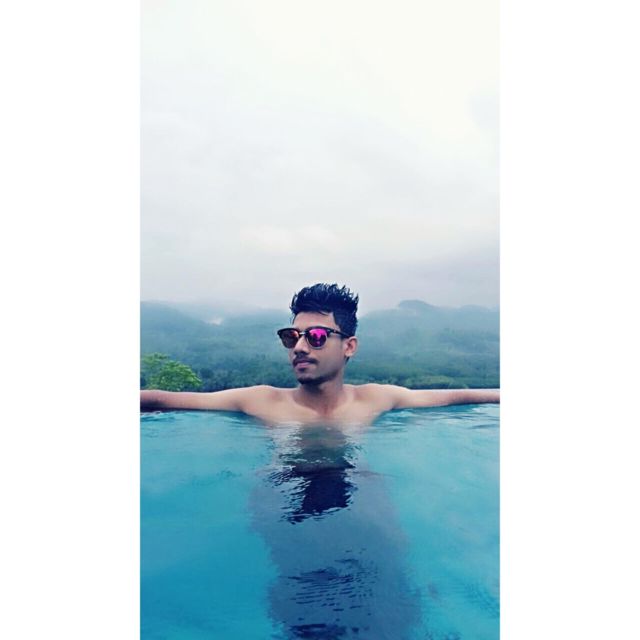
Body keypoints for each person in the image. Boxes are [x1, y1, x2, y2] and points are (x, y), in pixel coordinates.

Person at [140, 283, 499, 425]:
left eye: (315, 336)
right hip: (286, 499)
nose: (299, 347)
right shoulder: (262, 401)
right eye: (291, 337)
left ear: (349, 346)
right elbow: (161, 400)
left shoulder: (375, 399)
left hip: (355, 493)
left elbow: (455, 396)